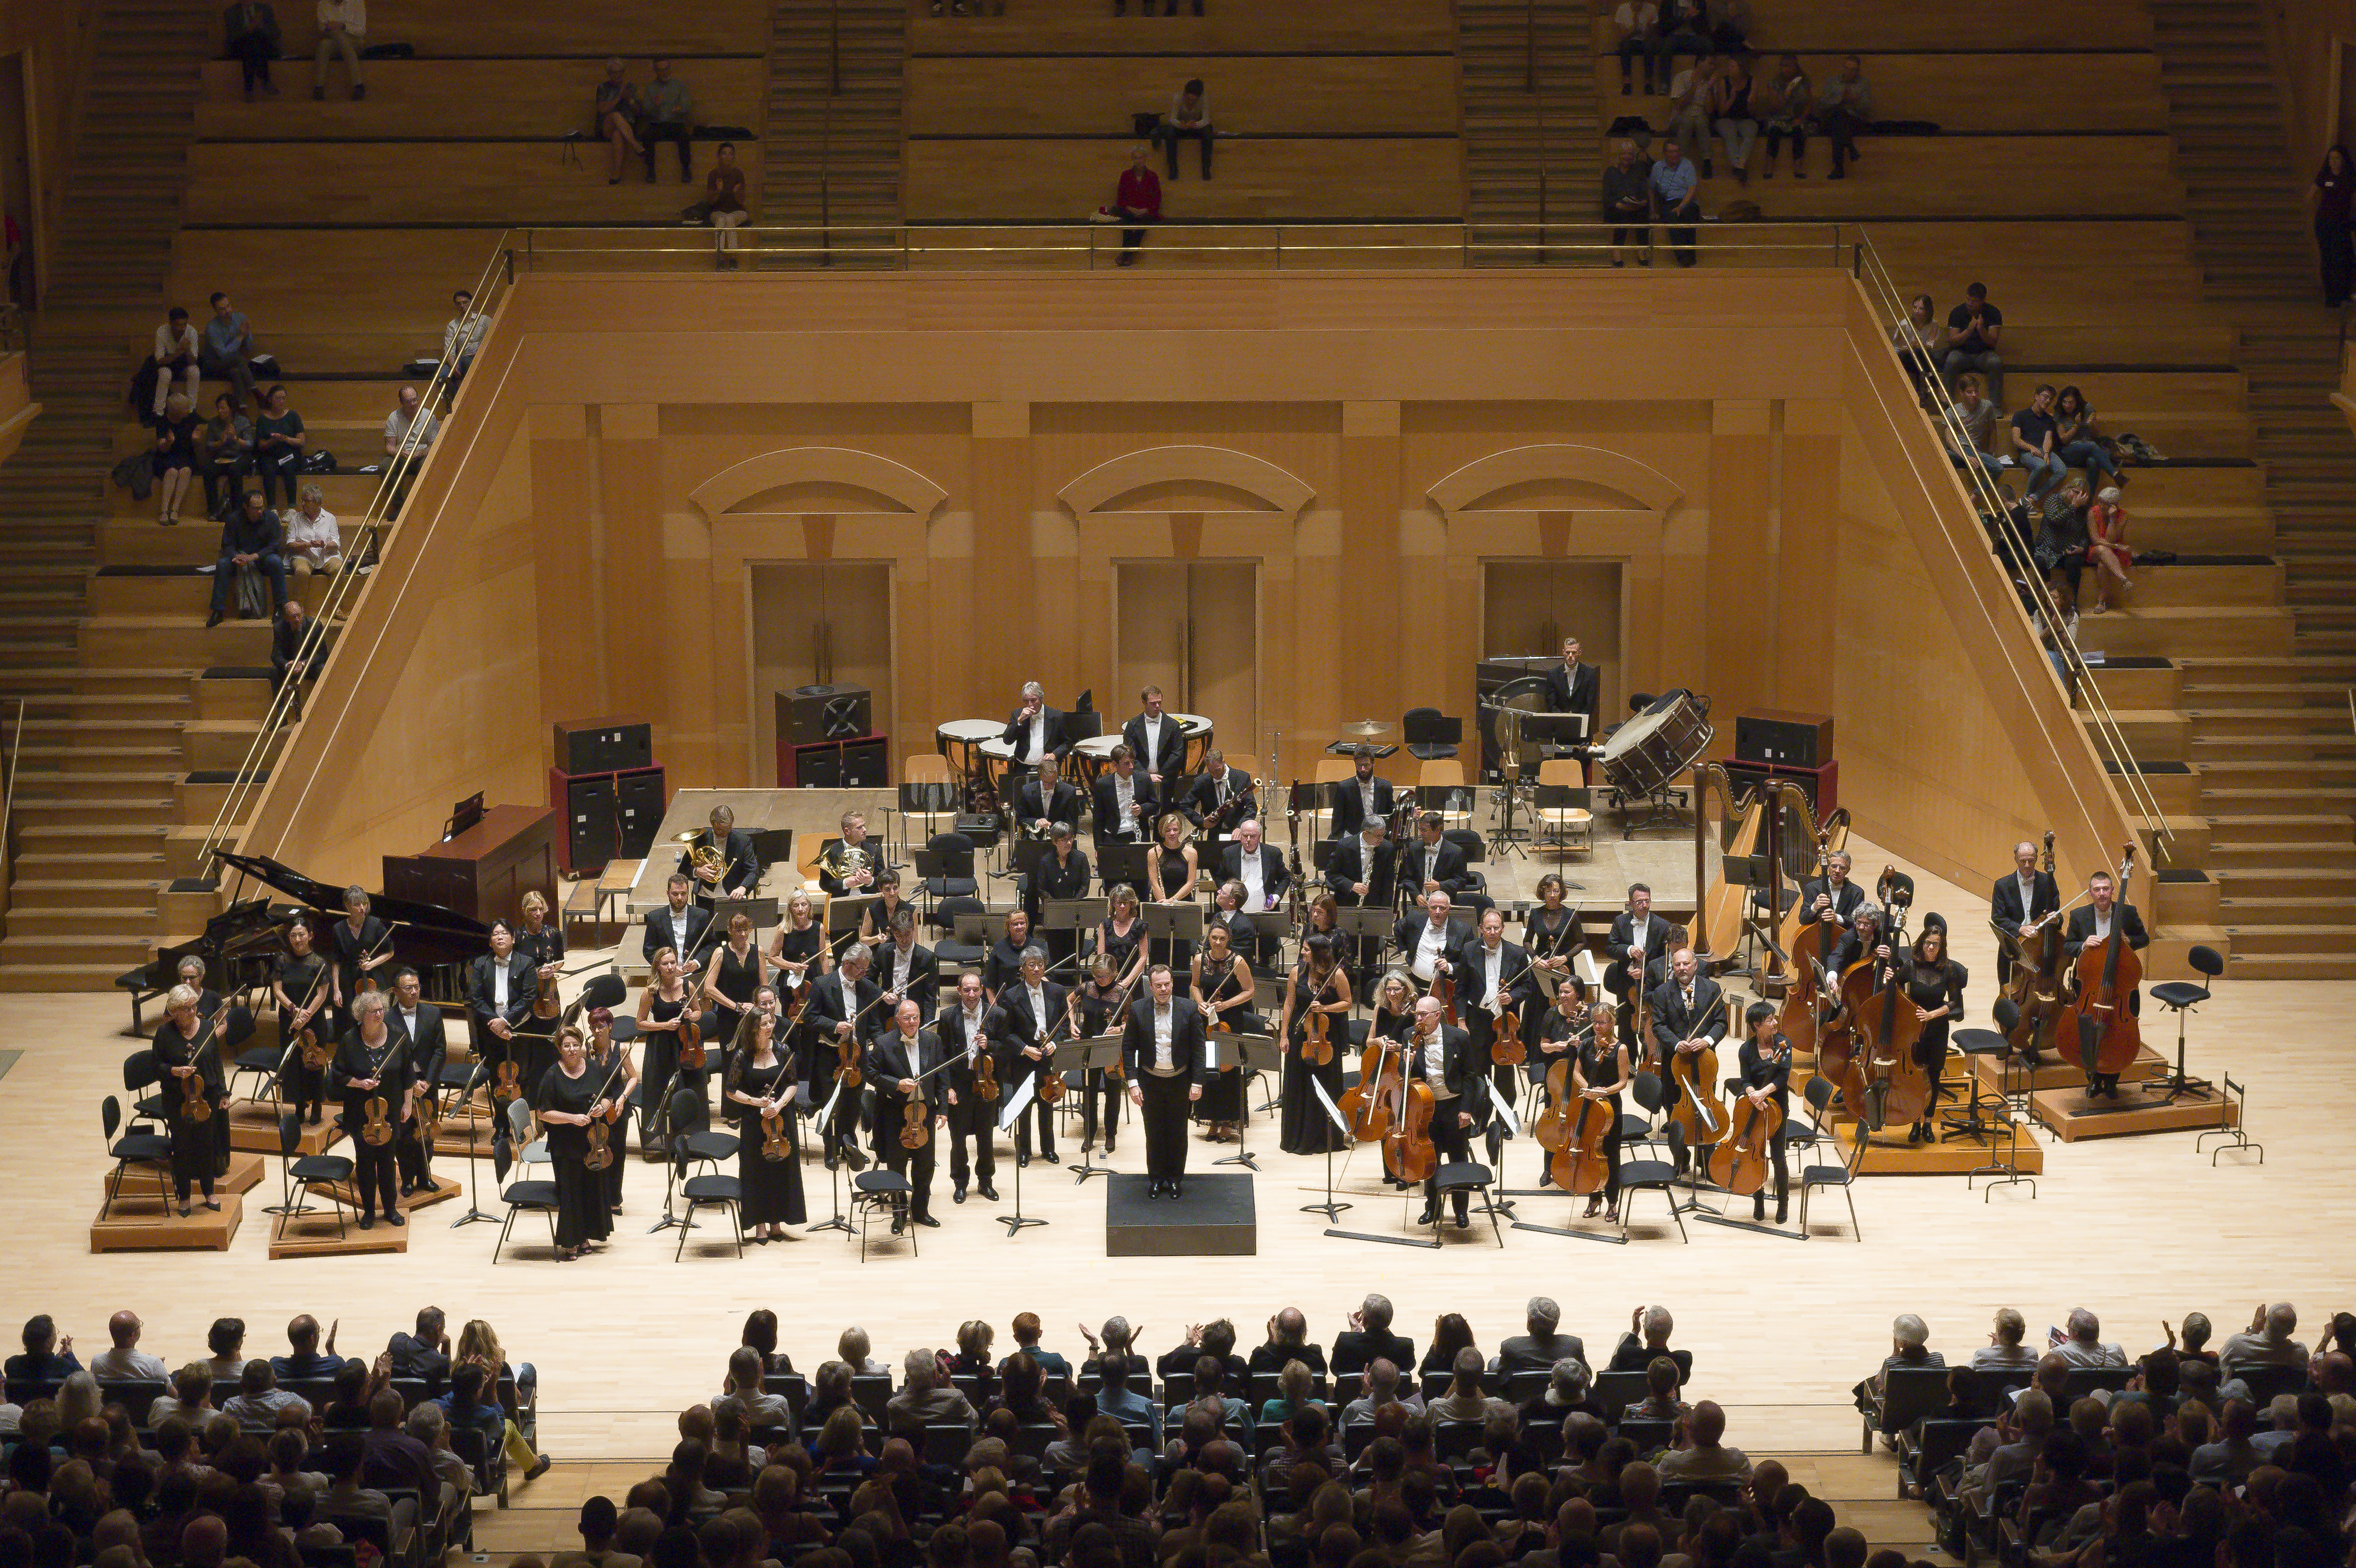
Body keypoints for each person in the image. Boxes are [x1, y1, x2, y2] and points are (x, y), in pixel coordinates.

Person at [1399, 998, 1483, 1228]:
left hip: (1454, 1106)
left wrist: (1467, 1109)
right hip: (1427, 1108)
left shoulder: (1459, 1037)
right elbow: (1402, 1075)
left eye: (1423, 1015)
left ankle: (1461, 1213)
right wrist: (1407, 1062)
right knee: (1430, 1160)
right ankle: (1432, 1209)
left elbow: (1470, 1077)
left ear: (1437, 1015)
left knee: (1458, 1160)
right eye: (1417, 1014)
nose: (1418, 1019)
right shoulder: (1409, 1036)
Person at [1122, 964, 1204, 1197]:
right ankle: (1156, 1179)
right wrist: (1133, 1083)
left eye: (1167, 984)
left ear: (1172, 984)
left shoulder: (1189, 1009)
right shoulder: (1138, 1009)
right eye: (1158, 985)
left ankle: (1176, 1179)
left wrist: (1197, 1082)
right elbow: (1128, 1049)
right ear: (1151, 987)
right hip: (1150, 1082)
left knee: (1178, 1132)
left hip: (1180, 1081)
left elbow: (1199, 1049)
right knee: (1154, 1132)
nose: (1163, 989)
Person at [723, 1010, 805, 1242]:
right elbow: (731, 1091)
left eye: (771, 1022)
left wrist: (778, 1105)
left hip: (781, 1119)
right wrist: (754, 1101)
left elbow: (792, 1084)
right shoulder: (742, 1055)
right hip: (754, 1122)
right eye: (764, 1024)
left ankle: (777, 1221)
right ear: (753, 1029)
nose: (770, 1026)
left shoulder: (783, 1050)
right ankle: (759, 1223)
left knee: (782, 1169)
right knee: (756, 1171)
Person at [533, 1025, 614, 1260]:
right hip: (565, 1144)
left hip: (593, 1142)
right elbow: (543, 1113)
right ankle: (570, 1242)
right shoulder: (552, 1075)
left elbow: (609, 1096)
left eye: (575, 1045)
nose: (572, 1050)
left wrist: (604, 1107)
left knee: (590, 1188)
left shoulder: (593, 1068)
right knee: (571, 1192)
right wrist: (572, 1119)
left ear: (582, 1047)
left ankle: (585, 1236)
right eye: (566, 1046)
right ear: (560, 1049)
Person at [332, 991, 410, 1229]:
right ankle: (368, 1212)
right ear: (361, 1016)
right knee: (365, 1163)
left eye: (381, 1010)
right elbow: (337, 1074)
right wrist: (359, 1083)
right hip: (360, 1113)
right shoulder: (349, 1040)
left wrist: (407, 1103)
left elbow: (408, 1073)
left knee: (388, 1161)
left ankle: (390, 1209)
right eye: (374, 1011)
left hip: (391, 1111)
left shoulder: (398, 1036)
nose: (380, 1014)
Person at [868, 999, 946, 1232]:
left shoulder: (933, 1040)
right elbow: (871, 1074)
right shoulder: (883, 1043)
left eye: (916, 1018)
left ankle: (921, 1211)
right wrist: (895, 1084)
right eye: (907, 1018)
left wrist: (943, 1109)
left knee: (925, 1166)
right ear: (898, 1019)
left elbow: (942, 1077)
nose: (912, 1023)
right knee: (897, 1166)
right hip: (895, 1114)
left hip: (924, 1113)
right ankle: (900, 1214)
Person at [153, 985, 228, 1216]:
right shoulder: (164, 1034)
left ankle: (209, 1192)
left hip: (207, 1097)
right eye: (186, 1008)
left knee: (207, 1145)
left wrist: (224, 1093)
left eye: (194, 1006)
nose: (193, 1011)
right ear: (174, 1011)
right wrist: (175, 1071)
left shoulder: (207, 1028)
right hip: (178, 1100)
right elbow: (156, 1068)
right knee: (182, 1146)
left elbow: (217, 1063)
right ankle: (184, 1197)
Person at [1277, 934, 1351, 1156]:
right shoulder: (1296, 973)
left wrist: (1325, 1009)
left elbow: (1347, 1003)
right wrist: (1283, 1035)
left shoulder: (1336, 974)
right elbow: (1289, 1004)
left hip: (1326, 1036)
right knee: (1298, 1083)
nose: (1302, 953)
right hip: (1302, 1035)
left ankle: (1324, 1137)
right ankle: (1297, 1137)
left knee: (1325, 1084)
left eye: (1307, 950)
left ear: (1319, 952)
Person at [806, 943, 878, 1168]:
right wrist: (834, 1026)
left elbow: (874, 1022)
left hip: (858, 1055)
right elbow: (810, 1018)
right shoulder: (822, 984)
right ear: (847, 964)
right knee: (832, 1103)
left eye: (866, 970)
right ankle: (830, 1150)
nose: (864, 974)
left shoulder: (866, 986)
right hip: (830, 1054)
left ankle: (850, 1148)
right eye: (861, 969)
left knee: (853, 1101)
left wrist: (879, 1042)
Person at [937, 970, 1005, 1203]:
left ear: (982, 989)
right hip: (960, 1084)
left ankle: (986, 1182)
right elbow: (942, 1057)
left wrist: (991, 1044)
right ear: (959, 991)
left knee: (986, 1138)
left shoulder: (996, 1014)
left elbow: (1006, 1050)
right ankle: (960, 1183)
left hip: (987, 1083)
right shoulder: (947, 1017)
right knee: (958, 1139)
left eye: (976, 989)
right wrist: (947, 1087)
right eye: (967, 990)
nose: (972, 994)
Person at [1189, 918, 1256, 1141]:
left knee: (1229, 1071)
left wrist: (1226, 1004)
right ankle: (1213, 1120)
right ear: (1208, 938)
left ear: (1229, 939)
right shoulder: (1200, 959)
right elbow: (1194, 985)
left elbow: (1250, 990)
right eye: (1214, 938)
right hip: (1207, 1020)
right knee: (1210, 1068)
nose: (1217, 942)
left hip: (1230, 1020)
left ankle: (1228, 1122)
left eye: (1222, 938)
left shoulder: (1237, 962)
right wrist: (1199, 1002)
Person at [1898, 926, 1965, 1144]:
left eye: (1935, 944)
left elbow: (1955, 1003)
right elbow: (1895, 987)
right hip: (1915, 1029)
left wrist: (1933, 1014)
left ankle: (1928, 1123)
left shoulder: (1949, 969)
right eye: (1927, 943)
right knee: (1916, 1075)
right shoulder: (1910, 966)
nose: (1930, 948)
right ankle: (1915, 1123)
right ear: (1921, 943)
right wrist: (1909, 1009)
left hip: (1937, 1028)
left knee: (1934, 1077)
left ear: (1941, 947)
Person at [635, 945, 707, 1145]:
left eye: (673, 963)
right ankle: (661, 1142)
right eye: (665, 964)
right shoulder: (650, 992)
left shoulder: (688, 986)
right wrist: (665, 1025)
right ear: (657, 967)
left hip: (688, 1045)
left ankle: (693, 1140)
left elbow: (699, 1012)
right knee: (660, 1092)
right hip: (661, 1047)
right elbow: (640, 1023)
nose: (669, 967)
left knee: (691, 1087)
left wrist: (692, 1015)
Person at [1572, 1001, 1634, 1220]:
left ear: (1612, 1022)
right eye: (1595, 1022)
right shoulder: (1587, 1044)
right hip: (1589, 1104)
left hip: (1609, 1107)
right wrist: (1587, 1089)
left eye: (1603, 1022)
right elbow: (1576, 1073)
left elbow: (1623, 1082)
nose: (1598, 1026)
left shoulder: (1621, 1048)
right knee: (1589, 1151)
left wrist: (1603, 1092)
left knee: (1610, 1154)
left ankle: (1613, 1202)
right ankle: (1593, 1197)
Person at [1732, 1001, 1791, 1223]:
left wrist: (1762, 1093)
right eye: (1770, 1020)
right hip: (1755, 1108)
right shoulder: (1746, 1050)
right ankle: (1758, 1199)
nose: (1775, 1023)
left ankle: (1783, 1203)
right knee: (1755, 1156)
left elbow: (1783, 1077)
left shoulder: (1784, 1044)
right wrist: (1752, 1094)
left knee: (1778, 1157)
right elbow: (1745, 1080)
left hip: (1777, 1108)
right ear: (1757, 1026)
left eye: (1774, 1018)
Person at [272, 916, 332, 1124]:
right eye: (293, 935)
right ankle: (299, 1106)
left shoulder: (319, 962)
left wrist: (306, 1013)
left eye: (301, 935)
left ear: (310, 936)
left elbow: (322, 994)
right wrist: (293, 1009)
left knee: (314, 1062)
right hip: (289, 1017)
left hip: (313, 1019)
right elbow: (277, 990)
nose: (297, 939)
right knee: (294, 1063)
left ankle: (316, 1104)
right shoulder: (282, 960)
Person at [702, 910, 768, 1083]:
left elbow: (764, 986)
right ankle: (731, 1109)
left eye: (746, 930)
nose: (744, 934)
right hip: (729, 1019)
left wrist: (757, 1007)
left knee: (754, 1064)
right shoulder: (720, 953)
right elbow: (709, 988)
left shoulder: (758, 951)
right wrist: (736, 1006)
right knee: (732, 1066)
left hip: (753, 1018)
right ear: (730, 931)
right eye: (739, 930)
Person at [206, 488, 287, 628]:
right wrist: (235, 556)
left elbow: (274, 546)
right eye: (256, 509)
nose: (260, 511)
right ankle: (218, 611)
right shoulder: (233, 519)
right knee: (223, 564)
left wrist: (255, 556)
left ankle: (280, 607)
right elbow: (227, 545)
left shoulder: (272, 519)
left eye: (262, 507)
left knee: (276, 562)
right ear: (246, 507)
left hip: (262, 557)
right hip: (240, 557)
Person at [580, 1006, 635, 1211]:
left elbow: (633, 1077)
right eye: (593, 1027)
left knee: (617, 1152)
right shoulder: (586, 1050)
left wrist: (622, 1098)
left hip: (616, 1109)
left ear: (610, 1026)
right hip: (594, 1108)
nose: (597, 1031)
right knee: (593, 1150)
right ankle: (595, 1197)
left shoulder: (620, 1049)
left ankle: (614, 1199)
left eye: (601, 1026)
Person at [1990, 840, 2061, 991]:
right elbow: (1998, 917)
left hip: (2040, 945)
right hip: (2014, 944)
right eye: (2023, 861)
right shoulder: (2002, 885)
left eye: (2031, 860)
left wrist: (2056, 919)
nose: (2027, 865)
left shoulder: (2048, 881)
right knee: (2009, 989)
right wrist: (2020, 929)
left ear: (2036, 859)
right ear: (2016, 859)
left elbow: (2056, 914)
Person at [1148, 811, 1200, 972]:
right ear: (1162, 831)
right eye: (1168, 830)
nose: (1172, 833)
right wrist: (1164, 902)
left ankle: (1181, 993)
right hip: (1160, 903)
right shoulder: (1153, 853)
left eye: (1175, 830)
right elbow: (1154, 882)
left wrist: (1173, 901)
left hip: (1182, 903)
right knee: (1159, 950)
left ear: (1180, 830)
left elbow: (1191, 882)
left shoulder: (1191, 853)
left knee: (1181, 951)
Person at [381, 384, 437, 517]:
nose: (413, 404)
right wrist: (399, 452)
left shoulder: (429, 416)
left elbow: (434, 446)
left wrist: (418, 453)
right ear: (401, 403)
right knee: (385, 466)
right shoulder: (394, 417)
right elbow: (389, 447)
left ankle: (425, 508)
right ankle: (400, 507)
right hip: (401, 456)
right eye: (409, 402)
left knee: (427, 465)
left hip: (421, 455)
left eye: (415, 400)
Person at [1943, 283, 2004, 404]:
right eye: (1968, 299)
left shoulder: (1993, 313)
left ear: (1982, 301)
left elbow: (1993, 342)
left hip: (1984, 354)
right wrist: (1969, 330)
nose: (1970, 304)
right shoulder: (1957, 313)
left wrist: (1981, 329)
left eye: (1974, 301)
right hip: (1962, 353)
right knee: (1951, 360)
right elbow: (1952, 342)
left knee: (1996, 362)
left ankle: (1995, 406)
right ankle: (1947, 404)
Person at [198, 391, 255, 519]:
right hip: (221, 457)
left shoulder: (243, 421)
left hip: (240, 456)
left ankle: (237, 511)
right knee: (208, 471)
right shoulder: (213, 423)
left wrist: (236, 439)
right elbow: (209, 445)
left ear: (231, 409)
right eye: (218, 408)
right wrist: (220, 442)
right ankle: (213, 511)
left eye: (223, 408)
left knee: (235, 470)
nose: (220, 411)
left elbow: (250, 444)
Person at [639, 58, 695, 182]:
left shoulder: (679, 86)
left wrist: (679, 109)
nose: (664, 72)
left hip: (676, 123)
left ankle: (686, 169)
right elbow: (645, 110)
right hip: (657, 124)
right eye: (660, 70)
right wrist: (655, 105)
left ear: (670, 69)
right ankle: (650, 170)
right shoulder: (651, 88)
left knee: (684, 137)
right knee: (647, 137)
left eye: (666, 69)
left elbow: (687, 106)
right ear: (656, 71)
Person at [1092, 744, 1158, 850]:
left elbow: (1155, 805)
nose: (1131, 766)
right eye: (1127, 763)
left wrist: (1142, 809)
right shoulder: (1103, 784)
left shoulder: (1144, 779)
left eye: (1132, 762)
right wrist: (1098, 848)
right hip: (1113, 836)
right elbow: (1098, 819)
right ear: (1115, 765)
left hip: (1138, 835)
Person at [1944, 373, 2006, 486]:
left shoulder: (1987, 406)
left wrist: (1991, 453)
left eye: (1976, 391)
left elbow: (1993, 430)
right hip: (1960, 449)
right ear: (1962, 393)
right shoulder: (1952, 411)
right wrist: (1965, 457)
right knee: (1944, 456)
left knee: (1998, 468)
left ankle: (1977, 494)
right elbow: (1949, 439)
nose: (1974, 395)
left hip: (1975, 450)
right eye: (1969, 392)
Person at [251, 383, 306, 508]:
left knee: (288, 466)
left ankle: (292, 506)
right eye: (278, 398)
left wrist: (285, 439)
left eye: (283, 398)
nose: (282, 401)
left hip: (289, 453)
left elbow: (301, 441)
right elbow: (261, 445)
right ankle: (272, 507)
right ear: (270, 399)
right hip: (270, 454)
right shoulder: (262, 419)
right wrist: (273, 441)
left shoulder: (293, 416)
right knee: (268, 469)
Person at [2011, 384, 2067, 505]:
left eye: (2050, 399)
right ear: (2036, 396)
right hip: (2027, 452)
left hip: (2044, 450)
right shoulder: (2020, 415)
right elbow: (2016, 440)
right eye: (2045, 397)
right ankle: (2026, 498)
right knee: (2041, 466)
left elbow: (2048, 438)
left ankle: (2032, 498)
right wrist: (2031, 448)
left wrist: (2046, 453)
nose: (2048, 401)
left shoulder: (2049, 419)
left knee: (2062, 471)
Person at [1601, 141, 1654, 267]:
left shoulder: (1639, 169)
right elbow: (1606, 196)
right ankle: (1617, 252)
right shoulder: (1611, 172)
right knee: (1622, 215)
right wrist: (1619, 205)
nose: (1627, 157)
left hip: (1636, 206)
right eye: (1624, 154)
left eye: (1630, 154)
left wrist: (1642, 202)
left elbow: (1644, 190)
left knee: (1643, 215)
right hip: (1617, 207)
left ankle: (1642, 252)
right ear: (1619, 156)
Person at [1649, 137, 1701, 266]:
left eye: (1677, 151)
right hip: (1668, 202)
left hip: (1687, 201)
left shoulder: (1687, 165)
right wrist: (1653, 211)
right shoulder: (1657, 167)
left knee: (1688, 216)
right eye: (1671, 152)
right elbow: (1651, 190)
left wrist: (1681, 207)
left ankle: (1691, 256)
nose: (1675, 155)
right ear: (1665, 153)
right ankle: (1683, 259)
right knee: (1672, 218)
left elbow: (1692, 189)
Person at [592, 59, 645, 185]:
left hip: (626, 126)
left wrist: (629, 100)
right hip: (607, 126)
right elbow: (602, 110)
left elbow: (639, 112)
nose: (618, 75)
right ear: (609, 73)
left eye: (620, 72)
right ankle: (635, 145)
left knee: (618, 134)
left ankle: (615, 175)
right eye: (614, 72)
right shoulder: (603, 87)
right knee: (615, 115)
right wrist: (619, 98)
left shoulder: (630, 87)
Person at [2313, 145, 2354, 307]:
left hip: (2342, 223)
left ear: (2343, 159)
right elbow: (2313, 193)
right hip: (2325, 223)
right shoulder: (2325, 175)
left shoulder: (2350, 176)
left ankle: (2343, 295)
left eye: (2337, 158)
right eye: (2331, 158)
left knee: (2344, 258)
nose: (2334, 162)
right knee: (2328, 259)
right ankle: (2331, 298)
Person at [200, 293, 256, 410]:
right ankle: (255, 390)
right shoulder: (212, 328)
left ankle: (242, 410)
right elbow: (223, 354)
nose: (227, 310)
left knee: (235, 371)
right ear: (215, 310)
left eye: (229, 306)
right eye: (223, 309)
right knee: (237, 358)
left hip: (234, 364)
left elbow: (249, 347)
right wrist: (240, 337)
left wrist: (246, 336)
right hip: (214, 364)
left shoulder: (240, 318)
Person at [1815, 54, 1868, 178]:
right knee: (1839, 116)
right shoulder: (1832, 82)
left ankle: (1839, 167)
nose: (1849, 72)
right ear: (1843, 68)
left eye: (1853, 69)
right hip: (1832, 119)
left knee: (1840, 121)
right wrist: (1840, 100)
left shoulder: (1864, 83)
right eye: (1847, 68)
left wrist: (1854, 102)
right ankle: (1850, 147)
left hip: (1853, 121)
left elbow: (1866, 108)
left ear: (1858, 71)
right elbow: (1822, 105)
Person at [1758, 54, 1810, 177]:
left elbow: (1809, 104)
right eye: (1783, 66)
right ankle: (1769, 167)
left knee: (1799, 132)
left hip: (1796, 118)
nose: (1786, 69)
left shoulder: (1803, 82)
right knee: (1774, 132)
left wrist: (1801, 118)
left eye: (1789, 66)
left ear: (1796, 67)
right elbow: (1775, 106)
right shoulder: (1774, 83)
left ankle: (1798, 167)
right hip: (1778, 118)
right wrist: (1787, 93)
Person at [151, 392, 199, 525]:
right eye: (185, 408)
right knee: (172, 472)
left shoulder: (191, 420)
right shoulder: (162, 422)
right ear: (177, 412)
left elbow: (194, 443)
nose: (188, 410)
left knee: (185, 472)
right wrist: (169, 442)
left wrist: (196, 440)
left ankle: (175, 510)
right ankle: (164, 511)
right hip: (167, 456)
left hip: (186, 455)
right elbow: (162, 448)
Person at [2083, 486, 2132, 613]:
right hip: (2097, 550)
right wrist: (2117, 546)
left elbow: (2110, 539)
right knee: (2101, 549)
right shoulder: (2092, 513)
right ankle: (2123, 579)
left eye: (2104, 503)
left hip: (2114, 553)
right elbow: (2096, 540)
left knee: (2103, 565)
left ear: (2114, 505)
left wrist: (2112, 519)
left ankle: (2101, 600)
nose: (2100, 506)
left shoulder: (2124, 516)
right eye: (2099, 502)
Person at [1708, 54, 1757, 184]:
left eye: (1733, 66)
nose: (1729, 69)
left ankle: (1740, 165)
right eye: (1729, 66)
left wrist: (1751, 102)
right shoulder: (1724, 82)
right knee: (1730, 134)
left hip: (1745, 118)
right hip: (1727, 118)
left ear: (1741, 69)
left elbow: (1752, 112)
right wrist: (1732, 99)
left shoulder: (1752, 81)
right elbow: (1721, 111)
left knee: (1751, 132)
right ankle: (1739, 166)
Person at [283, 483, 343, 582]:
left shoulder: (330, 518)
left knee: (338, 568)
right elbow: (290, 544)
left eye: (307, 501)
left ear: (318, 504)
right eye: (302, 500)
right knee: (302, 571)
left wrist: (325, 544)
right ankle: (299, 598)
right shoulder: (295, 519)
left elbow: (336, 543)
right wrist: (308, 545)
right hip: (303, 557)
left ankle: (336, 598)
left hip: (326, 557)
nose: (302, 504)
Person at [1113, 146, 1161, 266]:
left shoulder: (1153, 176)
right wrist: (1130, 208)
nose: (1138, 161)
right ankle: (1128, 255)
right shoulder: (1126, 175)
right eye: (1135, 158)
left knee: (1144, 224)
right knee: (1127, 223)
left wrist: (1146, 210)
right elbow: (1121, 197)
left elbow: (1157, 198)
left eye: (1140, 158)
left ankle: (1126, 254)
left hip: (1146, 212)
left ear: (1145, 159)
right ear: (1132, 160)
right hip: (1130, 210)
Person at [223, 0, 282, 99]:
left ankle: (249, 89)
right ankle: (265, 80)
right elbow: (233, 37)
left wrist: (261, 27)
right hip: (240, 48)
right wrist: (249, 28)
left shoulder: (265, 9)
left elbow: (276, 33)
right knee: (250, 42)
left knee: (255, 41)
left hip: (263, 46)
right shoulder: (231, 12)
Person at [151, 307, 201, 422]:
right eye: (179, 325)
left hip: (184, 365)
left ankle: (191, 411)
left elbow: (193, 361)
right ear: (171, 324)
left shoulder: (191, 332)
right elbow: (159, 361)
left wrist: (187, 350)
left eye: (185, 324)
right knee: (165, 374)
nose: (183, 329)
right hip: (168, 365)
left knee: (195, 371)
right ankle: (159, 413)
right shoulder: (162, 332)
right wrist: (179, 352)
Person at [1157, 79, 1213, 180]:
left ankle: (1206, 169)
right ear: (1185, 94)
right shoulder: (1178, 98)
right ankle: (1173, 168)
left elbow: (1206, 120)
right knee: (1170, 132)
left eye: (1194, 100)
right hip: (1182, 127)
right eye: (1188, 99)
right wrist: (1180, 124)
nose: (1191, 102)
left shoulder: (1204, 99)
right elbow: (1172, 119)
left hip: (1195, 127)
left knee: (1208, 132)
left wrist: (1196, 124)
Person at [704, 142, 749, 266]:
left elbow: (741, 201)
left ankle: (733, 257)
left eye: (731, 154)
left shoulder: (739, 174)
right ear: (719, 156)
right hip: (717, 211)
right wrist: (718, 191)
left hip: (738, 211)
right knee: (721, 220)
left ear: (734, 157)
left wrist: (736, 193)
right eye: (724, 153)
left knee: (729, 219)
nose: (728, 157)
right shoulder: (713, 175)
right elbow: (711, 201)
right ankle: (721, 258)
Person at [312, 0, 364, 99]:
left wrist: (343, 26)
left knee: (336, 38)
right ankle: (358, 85)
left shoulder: (357, 2)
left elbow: (361, 32)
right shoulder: (323, 4)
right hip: (333, 40)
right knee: (325, 44)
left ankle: (318, 87)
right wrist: (331, 28)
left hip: (354, 41)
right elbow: (321, 28)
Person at [1610, 0, 1660, 92]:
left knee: (1650, 47)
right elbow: (1624, 36)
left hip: (1645, 41)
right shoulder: (1622, 9)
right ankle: (1627, 82)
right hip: (1629, 41)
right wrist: (1635, 23)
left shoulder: (1652, 9)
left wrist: (1648, 26)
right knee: (1625, 46)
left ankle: (1648, 83)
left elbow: (1649, 35)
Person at [441, 290, 484, 383]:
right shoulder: (453, 325)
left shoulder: (483, 320)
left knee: (467, 362)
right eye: (459, 304)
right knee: (443, 374)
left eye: (465, 303)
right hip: (463, 359)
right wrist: (453, 367)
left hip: (481, 357)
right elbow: (449, 351)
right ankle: (453, 397)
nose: (462, 306)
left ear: (471, 303)